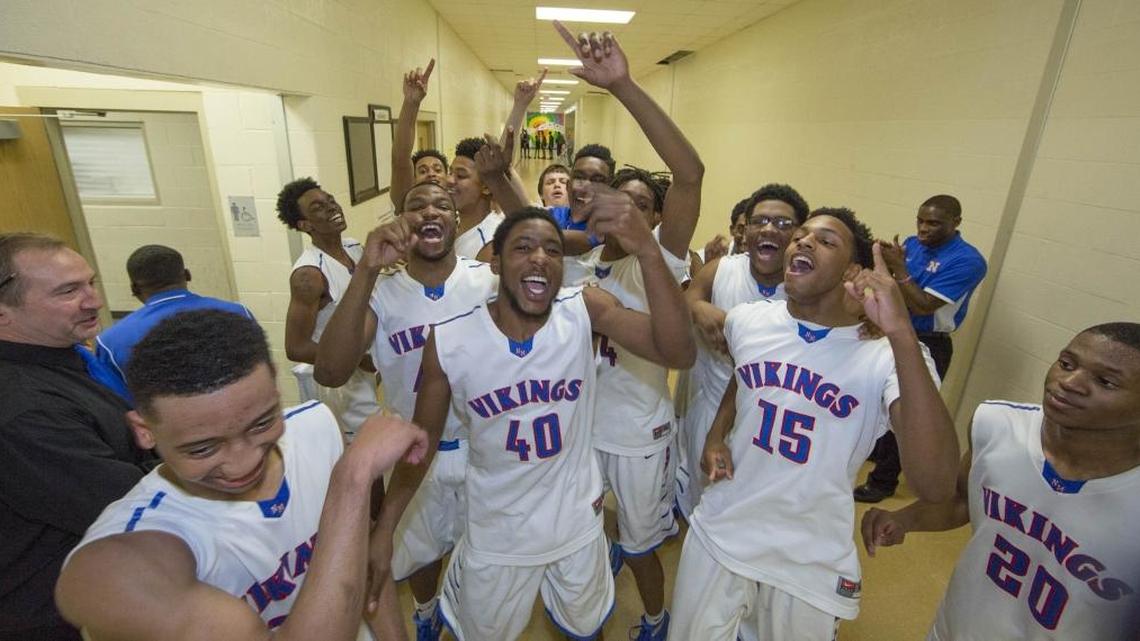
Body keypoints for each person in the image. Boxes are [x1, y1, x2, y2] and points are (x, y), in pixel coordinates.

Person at [370, 196, 696, 641]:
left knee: (587, 631)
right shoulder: (449, 340)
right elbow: (419, 446)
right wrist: (384, 529)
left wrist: (648, 251)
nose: (540, 257)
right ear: (495, 264)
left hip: (575, 521)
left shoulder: (583, 310)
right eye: (523, 247)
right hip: (497, 528)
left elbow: (679, 351)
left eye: (553, 250)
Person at [668, 208, 961, 641]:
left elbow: (935, 485)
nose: (803, 242)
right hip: (724, 527)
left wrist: (901, 332)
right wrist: (716, 435)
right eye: (801, 236)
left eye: (826, 241)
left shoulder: (888, 355)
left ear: (853, 271)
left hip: (810, 555)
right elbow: (743, 376)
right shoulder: (749, 320)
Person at [54, 309, 429, 641]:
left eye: (262, 423)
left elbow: (363, 568)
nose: (242, 463)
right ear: (144, 430)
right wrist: (353, 479)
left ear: (275, 387)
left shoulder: (315, 427)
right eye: (202, 448)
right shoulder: (117, 562)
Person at [549, 23, 704, 640]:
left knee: (641, 546)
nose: (630, 211)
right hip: (583, 428)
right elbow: (525, 225)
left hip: (638, 435)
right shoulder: (584, 261)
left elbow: (689, 173)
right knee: (589, 527)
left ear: (657, 219)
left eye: (644, 205)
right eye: (624, 200)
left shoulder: (659, 258)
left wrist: (623, 87)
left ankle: (656, 618)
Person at [861, 322, 1140, 640]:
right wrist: (904, 520)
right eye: (1066, 364)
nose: (1070, 382)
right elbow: (963, 499)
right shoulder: (997, 425)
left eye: (1105, 381)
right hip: (955, 630)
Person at [315, 180, 497, 641]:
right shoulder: (381, 292)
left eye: (442, 205)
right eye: (417, 205)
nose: (430, 211)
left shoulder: (486, 281)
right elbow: (331, 371)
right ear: (400, 222)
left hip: (481, 449)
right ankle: (426, 611)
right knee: (419, 554)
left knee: (484, 563)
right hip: (412, 455)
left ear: (456, 220)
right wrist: (366, 270)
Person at [0, 233, 154, 641]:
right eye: (68, 291)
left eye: (90, 283)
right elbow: (133, 507)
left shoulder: (64, 362)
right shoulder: (24, 407)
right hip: (50, 621)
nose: (94, 301)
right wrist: (174, 452)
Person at [673, 184, 809, 519]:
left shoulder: (807, 286)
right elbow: (686, 300)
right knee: (704, 503)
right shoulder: (722, 269)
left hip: (769, 421)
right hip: (710, 406)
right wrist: (698, 308)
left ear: (798, 235)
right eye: (759, 221)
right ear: (745, 231)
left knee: (753, 511)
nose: (768, 229)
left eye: (782, 223)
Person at [855, 194, 988, 502]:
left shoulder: (968, 260)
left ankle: (883, 482)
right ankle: (877, 454)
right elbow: (891, 288)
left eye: (934, 223)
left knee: (910, 414)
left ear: (956, 222)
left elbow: (924, 304)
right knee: (878, 400)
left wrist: (899, 269)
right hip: (889, 333)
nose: (924, 228)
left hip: (928, 341)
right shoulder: (913, 244)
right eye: (920, 221)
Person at [277, 177, 381, 441]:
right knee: (363, 454)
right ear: (305, 225)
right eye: (318, 208)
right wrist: (356, 358)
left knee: (379, 444)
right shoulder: (309, 275)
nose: (331, 207)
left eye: (330, 200)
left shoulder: (354, 247)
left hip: (367, 370)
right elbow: (295, 347)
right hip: (339, 381)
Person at [94, 244, 253, 399]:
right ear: (187, 275)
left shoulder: (110, 341)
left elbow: (118, 401)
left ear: (134, 288)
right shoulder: (238, 313)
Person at [390, 59, 449, 207]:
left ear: (448, 177)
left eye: (438, 169)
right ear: (413, 181)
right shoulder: (407, 203)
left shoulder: (458, 206)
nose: (431, 174)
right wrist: (411, 103)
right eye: (422, 171)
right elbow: (400, 160)